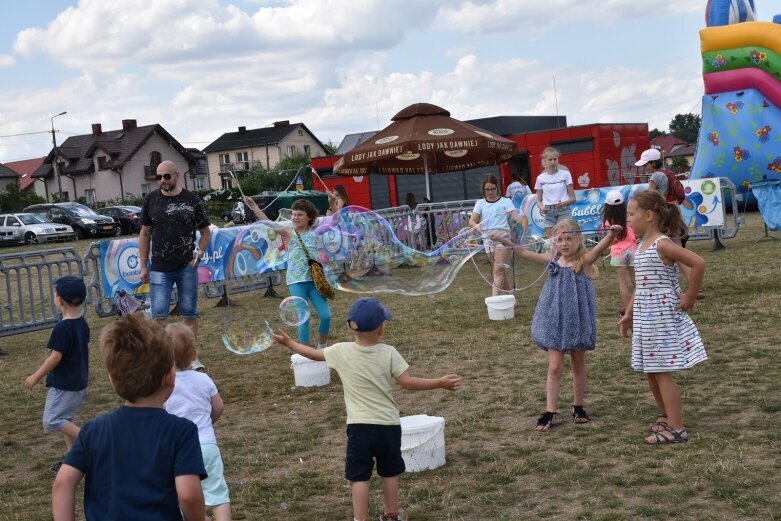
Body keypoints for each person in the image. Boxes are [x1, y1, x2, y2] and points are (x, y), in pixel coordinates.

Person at [271, 297, 462, 521]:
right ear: (381, 329)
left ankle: (360, 519)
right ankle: (392, 515)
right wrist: (439, 382)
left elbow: (313, 355)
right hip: (388, 427)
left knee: (359, 477)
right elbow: (407, 382)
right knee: (389, 472)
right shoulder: (389, 352)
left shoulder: (340, 351)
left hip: (359, 428)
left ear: (349, 327)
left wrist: (289, 343)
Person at [52, 314, 206, 520]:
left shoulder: (93, 430)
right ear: (170, 377)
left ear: (112, 381)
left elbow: (63, 483)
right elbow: (188, 494)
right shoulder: (182, 431)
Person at [500, 219, 621, 431]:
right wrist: (504, 240)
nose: (564, 244)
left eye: (568, 239)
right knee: (555, 367)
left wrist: (611, 235)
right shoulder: (553, 261)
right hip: (554, 321)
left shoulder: (583, 261)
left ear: (578, 240)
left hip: (577, 322)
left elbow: (601, 248)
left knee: (578, 365)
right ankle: (550, 411)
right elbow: (524, 254)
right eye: (559, 240)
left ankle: (578, 406)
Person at [618, 190, 707, 444]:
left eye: (631, 214)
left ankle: (677, 428)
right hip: (646, 317)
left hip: (661, 317)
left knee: (661, 370)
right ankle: (667, 416)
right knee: (651, 370)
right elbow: (642, 286)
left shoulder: (663, 244)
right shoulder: (641, 245)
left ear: (648, 215)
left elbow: (698, 263)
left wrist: (690, 296)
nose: (628, 219)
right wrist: (629, 313)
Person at [139, 160, 211, 369]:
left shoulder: (190, 200)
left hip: (186, 267)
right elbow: (144, 233)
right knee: (159, 316)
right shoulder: (151, 200)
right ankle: (164, 358)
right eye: (159, 177)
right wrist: (143, 265)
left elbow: (205, 231)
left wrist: (199, 253)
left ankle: (190, 356)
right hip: (160, 267)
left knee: (189, 313)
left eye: (166, 176)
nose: (162, 181)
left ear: (177, 175)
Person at [164, 322, 231, 521]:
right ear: (194, 355)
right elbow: (218, 407)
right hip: (207, 444)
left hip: (178, 450)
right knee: (218, 495)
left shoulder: (164, 384)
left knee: (184, 495)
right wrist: (208, 423)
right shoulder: (204, 379)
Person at [244, 197, 332, 348]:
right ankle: (305, 349)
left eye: (300, 214)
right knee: (303, 317)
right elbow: (268, 223)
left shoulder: (315, 233)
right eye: (293, 214)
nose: (295, 217)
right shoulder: (289, 233)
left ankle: (322, 346)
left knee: (326, 315)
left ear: (309, 217)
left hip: (314, 281)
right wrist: (254, 207)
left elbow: (335, 221)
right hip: (296, 281)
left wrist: (332, 204)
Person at [24, 276, 89, 474]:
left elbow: (55, 358)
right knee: (65, 418)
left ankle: (91, 442)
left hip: (65, 385)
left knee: (52, 420)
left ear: (59, 300)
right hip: (79, 382)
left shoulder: (62, 328)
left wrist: (35, 376)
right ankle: (72, 459)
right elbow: (86, 350)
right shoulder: (82, 323)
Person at [634, 149, 700, 295]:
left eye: (646, 164)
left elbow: (649, 198)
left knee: (668, 256)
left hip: (663, 218)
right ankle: (695, 287)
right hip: (674, 215)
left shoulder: (655, 177)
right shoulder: (669, 173)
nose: (644, 167)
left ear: (653, 163)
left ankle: (672, 288)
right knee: (679, 253)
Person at [468, 174, 525, 295]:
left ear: (497, 188)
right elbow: (472, 220)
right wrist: (476, 225)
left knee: (498, 270)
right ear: (483, 190)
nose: (490, 192)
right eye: (487, 189)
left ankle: (494, 300)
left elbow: (515, 216)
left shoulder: (506, 201)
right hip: (488, 239)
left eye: (493, 189)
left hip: (503, 238)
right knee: (499, 270)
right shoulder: (480, 203)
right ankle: (509, 296)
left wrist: (522, 220)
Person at [602, 190, 637, 315]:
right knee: (636, 281)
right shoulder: (628, 216)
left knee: (622, 282)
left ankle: (628, 309)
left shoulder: (608, 221)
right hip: (633, 250)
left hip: (618, 253)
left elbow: (612, 239)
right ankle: (638, 304)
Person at [535, 147, 576, 235]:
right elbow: (538, 200)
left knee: (566, 237)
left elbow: (573, 198)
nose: (553, 162)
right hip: (548, 211)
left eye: (555, 159)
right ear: (544, 161)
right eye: (550, 159)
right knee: (551, 241)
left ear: (558, 160)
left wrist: (563, 204)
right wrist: (542, 208)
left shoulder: (565, 174)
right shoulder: (540, 178)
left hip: (563, 209)